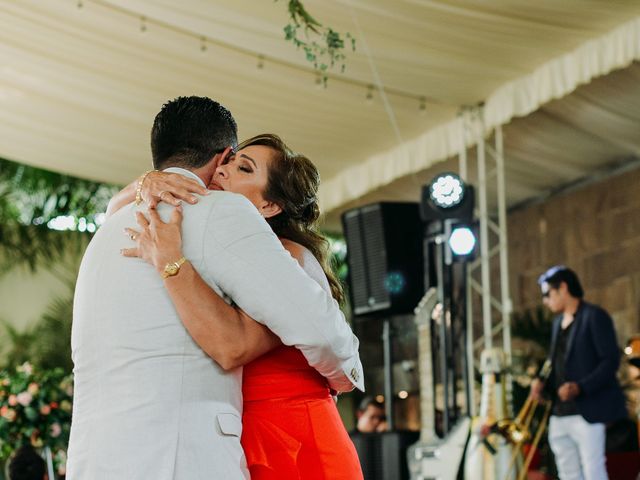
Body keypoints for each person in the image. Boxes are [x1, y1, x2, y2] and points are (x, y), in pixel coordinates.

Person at [68, 96, 363, 480]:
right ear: (221, 153)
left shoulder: (109, 230)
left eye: (241, 168)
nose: (224, 173)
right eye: (230, 162)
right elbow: (305, 336)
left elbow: (241, 342)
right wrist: (345, 375)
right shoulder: (216, 215)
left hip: (98, 457)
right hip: (186, 453)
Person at [531, 265, 627, 480]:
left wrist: (580, 387)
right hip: (559, 412)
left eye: (548, 294)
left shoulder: (594, 316)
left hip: (587, 411)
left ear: (563, 288)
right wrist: (540, 382)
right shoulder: (557, 323)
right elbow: (554, 362)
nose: (545, 301)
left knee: (593, 470)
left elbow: (610, 361)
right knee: (568, 473)